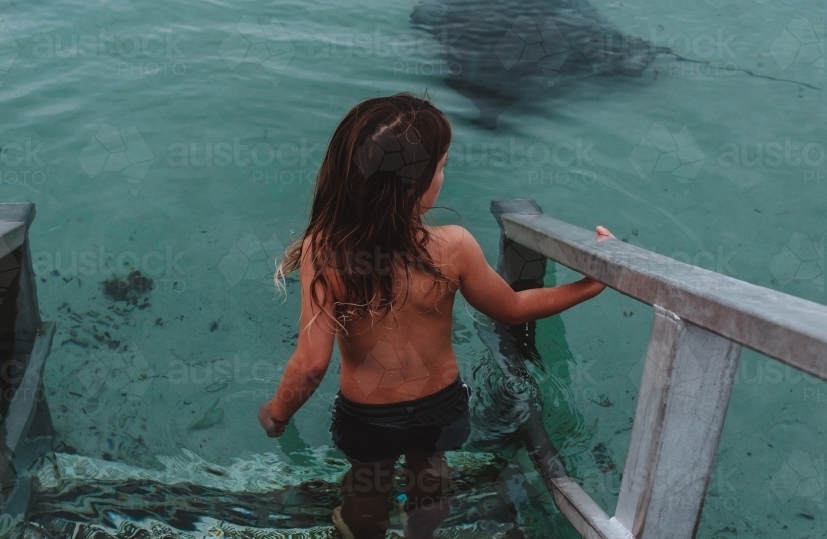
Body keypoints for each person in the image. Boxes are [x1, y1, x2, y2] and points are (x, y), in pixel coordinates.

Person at [257, 93, 613, 539]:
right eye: (441, 167)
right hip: (441, 407)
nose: (444, 176)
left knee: (367, 488)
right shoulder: (455, 246)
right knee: (431, 476)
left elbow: (310, 365)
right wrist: (588, 284)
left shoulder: (325, 253)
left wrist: (277, 413)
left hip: (369, 417)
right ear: (415, 185)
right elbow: (514, 307)